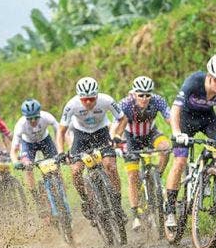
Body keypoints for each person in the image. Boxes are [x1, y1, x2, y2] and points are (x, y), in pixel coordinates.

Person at [164, 54, 216, 228]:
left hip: (207, 120)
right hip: (185, 120)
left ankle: (207, 169)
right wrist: (176, 132)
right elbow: (175, 109)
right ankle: (170, 209)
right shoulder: (194, 81)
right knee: (180, 162)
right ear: (209, 76)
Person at [56, 76, 127, 226]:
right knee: (75, 171)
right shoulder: (71, 105)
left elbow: (123, 119)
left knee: (111, 166)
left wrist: (117, 136)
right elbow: (61, 131)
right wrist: (61, 152)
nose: (88, 102)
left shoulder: (106, 100)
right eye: (85, 99)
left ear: (97, 95)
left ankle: (118, 206)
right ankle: (86, 200)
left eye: (92, 99)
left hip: (101, 132)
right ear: (79, 97)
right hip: (80, 136)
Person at [112, 76, 172, 230]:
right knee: (133, 176)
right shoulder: (126, 104)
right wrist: (114, 140)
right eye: (141, 95)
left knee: (165, 147)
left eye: (147, 95)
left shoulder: (157, 100)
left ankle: (157, 176)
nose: (144, 98)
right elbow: (116, 125)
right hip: (130, 139)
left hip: (151, 134)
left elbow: (170, 117)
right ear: (134, 94)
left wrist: (179, 131)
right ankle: (135, 215)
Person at [10, 99, 59, 213]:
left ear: (39, 114)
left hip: (45, 140)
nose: (33, 121)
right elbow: (14, 150)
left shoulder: (46, 117)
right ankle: (36, 198)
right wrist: (15, 162)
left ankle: (60, 188)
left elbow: (59, 130)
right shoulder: (20, 125)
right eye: (29, 118)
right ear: (25, 117)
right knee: (28, 167)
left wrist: (59, 148)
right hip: (28, 144)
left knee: (55, 164)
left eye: (35, 117)